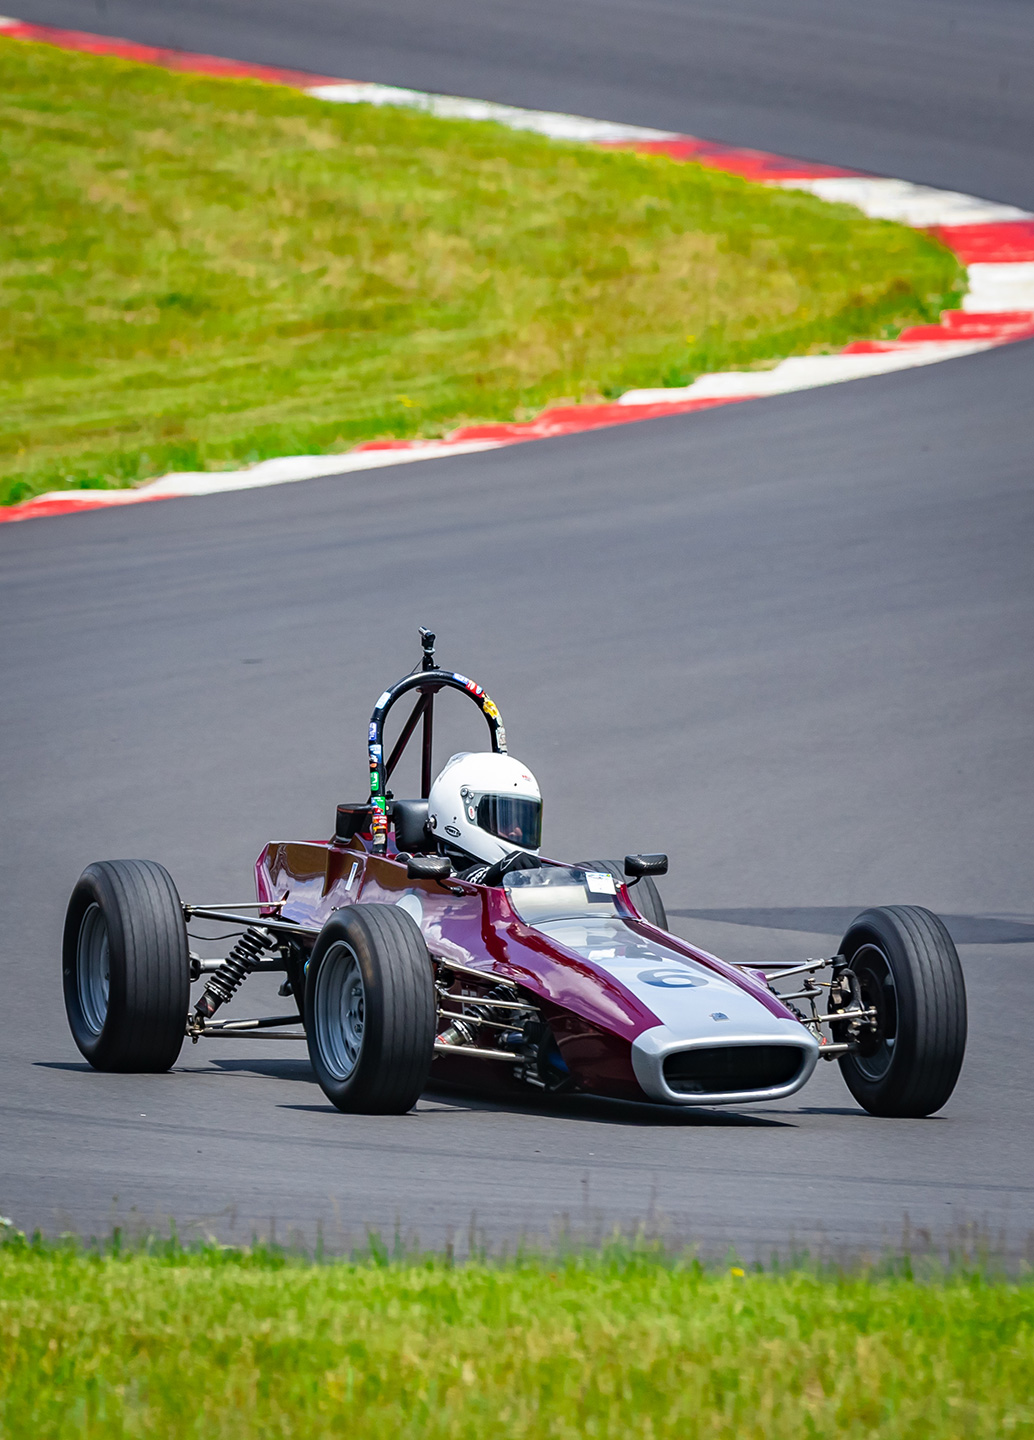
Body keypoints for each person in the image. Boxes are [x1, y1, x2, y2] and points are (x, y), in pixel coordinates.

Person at [426, 751, 543, 884]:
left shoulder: (527, 870)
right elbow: (457, 878)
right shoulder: (423, 867)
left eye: (523, 820)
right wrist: (495, 872)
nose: (518, 831)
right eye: (506, 820)